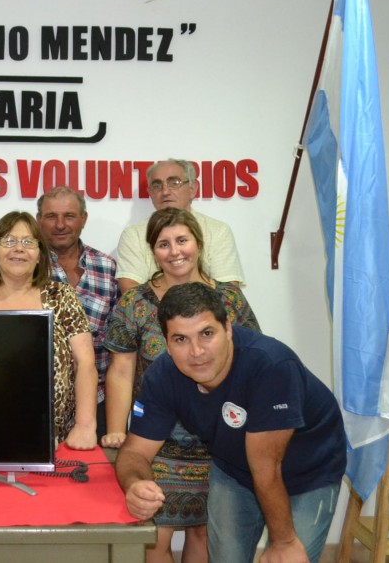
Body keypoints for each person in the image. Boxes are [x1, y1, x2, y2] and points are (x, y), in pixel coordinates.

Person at [115, 283, 345, 563]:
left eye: (207, 334)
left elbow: (266, 470)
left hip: (308, 472)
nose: (196, 351)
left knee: (290, 557)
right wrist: (135, 484)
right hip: (234, 469)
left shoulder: (271, 366)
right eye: (181, 340)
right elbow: (135, 452)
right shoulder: (162, 376)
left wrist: (283, 541)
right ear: (166, 343)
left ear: (228, 329)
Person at [103, 207, 260, 563]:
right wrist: (115, 431)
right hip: (157, 441)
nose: (175, 251)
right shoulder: (135, 304)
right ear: (152, 251)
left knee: (206, 533)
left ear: (198, 244)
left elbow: (252, 363)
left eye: (182, 240)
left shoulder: (229, 300)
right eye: (163, 244)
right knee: (153, 535)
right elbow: (121, 371)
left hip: (219, 440)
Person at [0, 211, 98, 450]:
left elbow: (86, 363)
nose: (19, 249)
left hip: (55, 438)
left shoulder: (61, 296)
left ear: (40, 255)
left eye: (28, 242)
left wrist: (85, 425)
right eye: (9, 241)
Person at [37, 186, 118, 439]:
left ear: (83, 219)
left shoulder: (107, 267)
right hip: (40, 404)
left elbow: (120, 341)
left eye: (69, 216)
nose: (60, 225)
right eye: (51, 217)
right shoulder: (26, 268)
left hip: (99, 401)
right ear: (39, 221)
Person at [117, 159, 244, 294]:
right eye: (157, 185)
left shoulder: (218, 231)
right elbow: (131, 291)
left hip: (208, 314)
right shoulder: (134, 235)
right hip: (154, 314)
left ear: (192, 188)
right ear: (150, 192)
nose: (165, 191)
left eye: (174, 183)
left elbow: (227, 292)